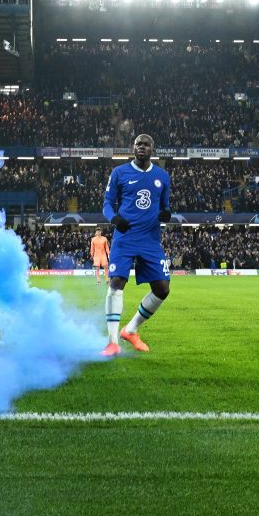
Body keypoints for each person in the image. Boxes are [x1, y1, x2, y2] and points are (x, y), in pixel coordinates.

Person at [100, 134, 172, 357]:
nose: (141, 147)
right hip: (125, 237)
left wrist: (165, 214)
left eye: (146, 144)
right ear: (133, 148)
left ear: (153, 148)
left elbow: (165, 208)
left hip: (150, 239)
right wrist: (114, 219)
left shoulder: (162, 176)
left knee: (162, 289)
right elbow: (107, 204)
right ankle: (112, 342)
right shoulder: (119, 172)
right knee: (117, 282)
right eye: (138, 144)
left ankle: (130, 330)